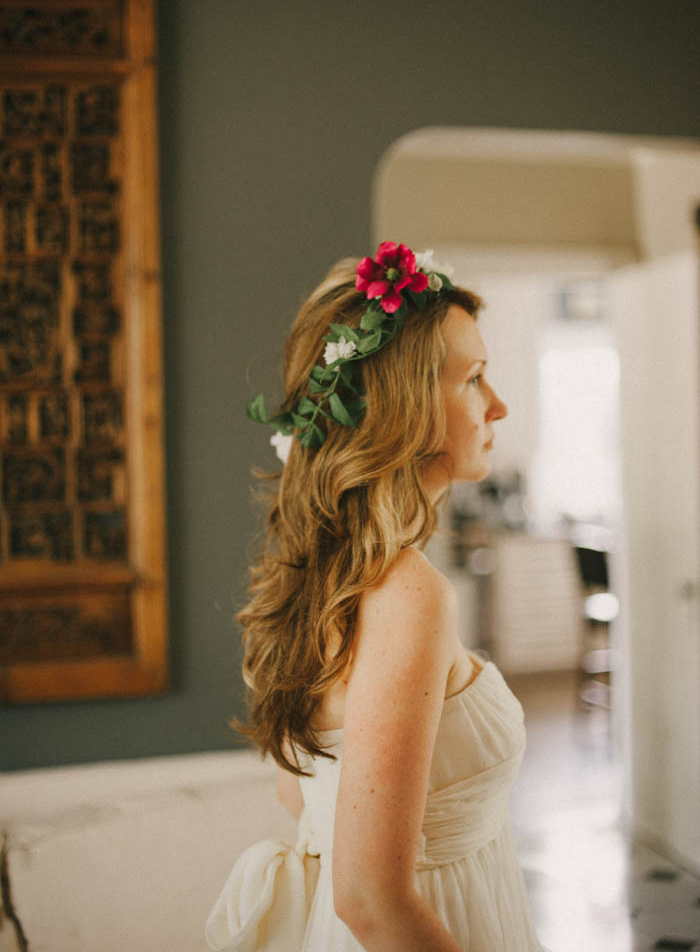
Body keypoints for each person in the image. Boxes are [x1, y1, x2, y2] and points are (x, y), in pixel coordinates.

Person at [205, 242, 544, 951]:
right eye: (476, 379)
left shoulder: (306, 580)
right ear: (406, 404)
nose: (499, 406)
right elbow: (370, 900)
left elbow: (299, 796)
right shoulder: (409, 594)